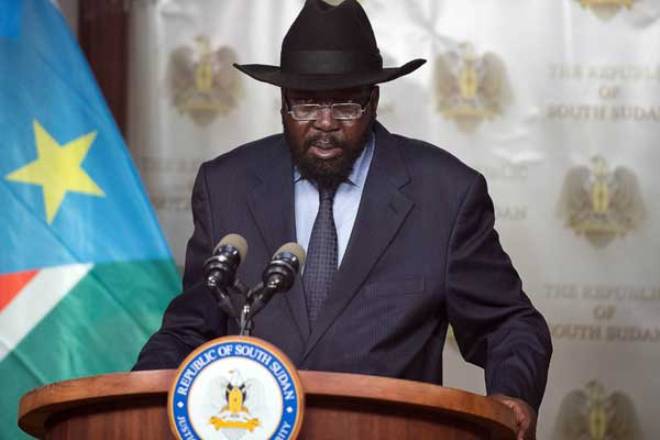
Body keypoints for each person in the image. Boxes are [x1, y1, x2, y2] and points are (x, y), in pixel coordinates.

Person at [134, 1, 552, 438]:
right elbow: (191, 328)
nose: (325, 122)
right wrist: (131, 397)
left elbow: (508, 324)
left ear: (374, 101)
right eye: (306, 104)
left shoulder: (444, 194)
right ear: (283, 102)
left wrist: (513, 393)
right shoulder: (227, 185)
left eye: (346, 105)